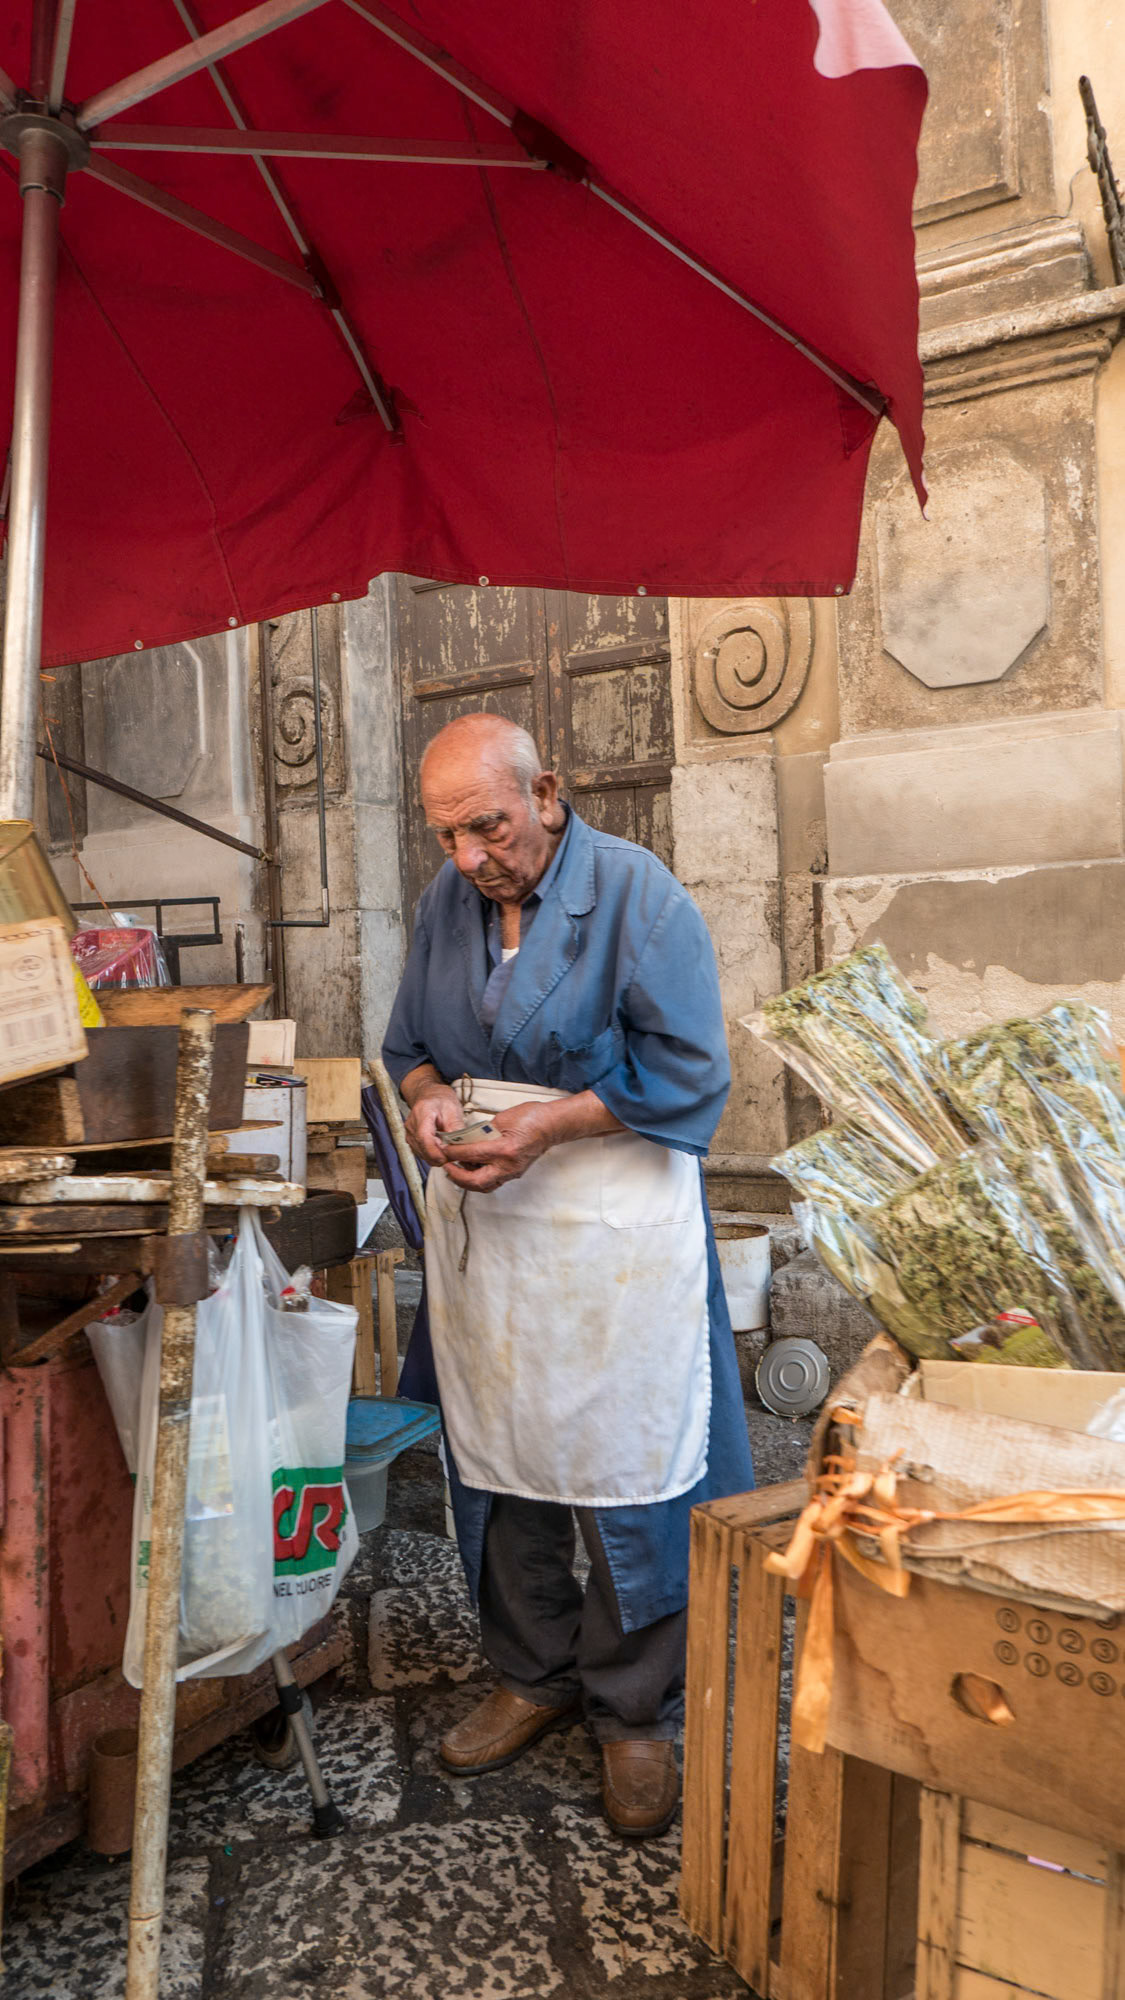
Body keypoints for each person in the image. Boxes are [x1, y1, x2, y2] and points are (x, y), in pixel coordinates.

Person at [382, 712, 754, 1838]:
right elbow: (409, 1045)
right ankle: (532, 1669)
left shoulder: (639, 894)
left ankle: (634, 1703)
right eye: (445, 835)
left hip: (612, 1229)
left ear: (547, 789)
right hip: (493, 1233)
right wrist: (429, 1098)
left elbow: (692, 1072)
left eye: (486, 825)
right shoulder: (446, 904)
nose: (467, 858)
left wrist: (548, 1126)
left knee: (627, 1462)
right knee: (502, 1456)